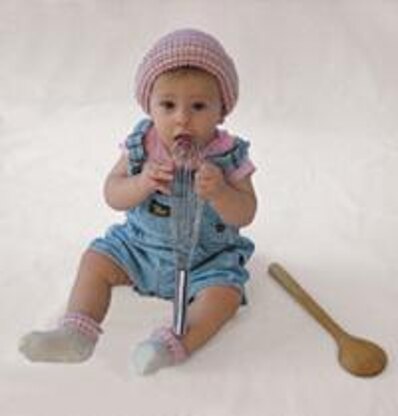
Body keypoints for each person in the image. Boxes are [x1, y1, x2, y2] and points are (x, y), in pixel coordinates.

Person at [19, 28, 257, 375]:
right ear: (149, 106)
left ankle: (171, 344)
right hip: (139, 248)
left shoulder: (229, 156)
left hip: (205, 260)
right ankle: (76, 332)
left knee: (226, 296)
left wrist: (221, 192)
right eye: (168, 105)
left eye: (199, 106)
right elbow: (113, 193)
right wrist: (142, 181)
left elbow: (246, 212)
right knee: (95, 260)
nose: (182, 118)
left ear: (222, 111)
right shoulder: (141, 145)